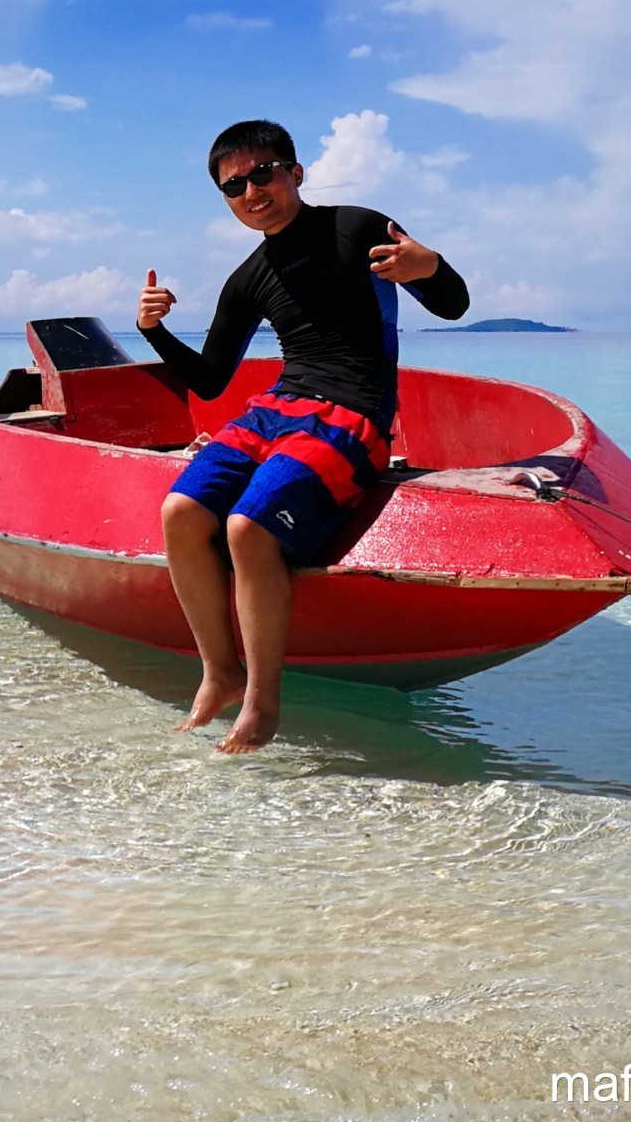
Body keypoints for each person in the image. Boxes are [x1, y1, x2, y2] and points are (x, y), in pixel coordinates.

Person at [138, 119, 469, 752]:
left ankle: (263, 703)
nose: (252, 192)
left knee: (246, 528)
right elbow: (209, 381)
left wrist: (429, 267)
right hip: (277, 410)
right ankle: (220, 671)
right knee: (180, 511)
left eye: (263, 173)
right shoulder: (249, 276)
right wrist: (152, 330)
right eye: (234, 186)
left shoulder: (360, 227)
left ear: (295, 172)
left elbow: (453, 304)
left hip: (354, 415)